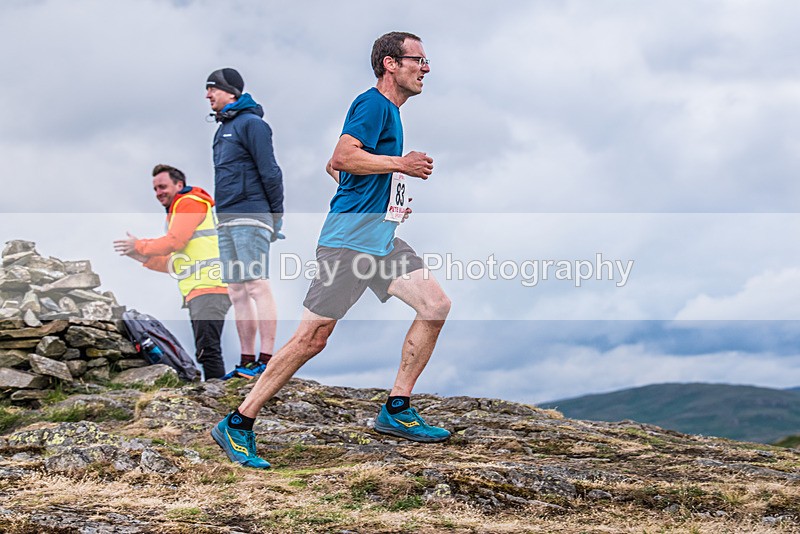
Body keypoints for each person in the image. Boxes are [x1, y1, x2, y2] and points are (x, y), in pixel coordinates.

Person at [212, 31, 451, 469]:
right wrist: (400, 165)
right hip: (347, 243)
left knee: (434, 305)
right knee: (312, 338)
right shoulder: (373, 104)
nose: (426, 68)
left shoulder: (390, 113)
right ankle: (238, 422)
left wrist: (383, 198)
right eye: (419, 59)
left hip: (378, 237)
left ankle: (396, 409)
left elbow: (335, 167)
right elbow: (342, 157)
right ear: (390, 64)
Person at [114, 164, 231, 380]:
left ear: (179, 184)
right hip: (201, 289)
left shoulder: (189, 202)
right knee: (206, 349)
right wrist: (141, 256)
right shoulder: (179, 210)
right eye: (155, 189)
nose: (159, 193)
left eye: (162, 186)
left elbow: (175, 242)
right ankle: (217, 391)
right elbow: (175, 263)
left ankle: (218, 395)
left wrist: (140, 245)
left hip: (209, 286)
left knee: (208, 349)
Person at [206, 68, 284, 378]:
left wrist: (275, 218)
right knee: (237, 291)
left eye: (212, 88)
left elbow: (271, 172)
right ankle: (246, 361)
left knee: (255, 285)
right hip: (226, 218)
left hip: (252, 215)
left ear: (230, 92)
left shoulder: (253, 124)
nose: (208, 95)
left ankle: (267, 360)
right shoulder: (222, 129)